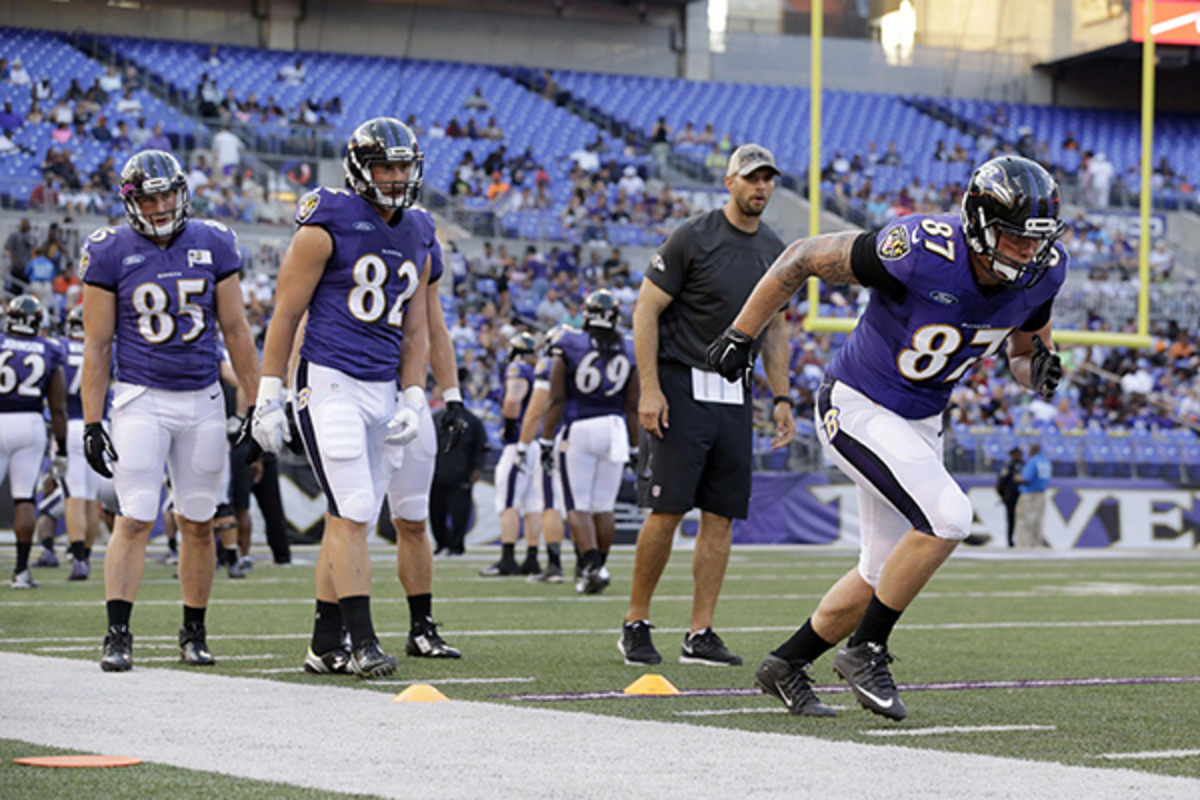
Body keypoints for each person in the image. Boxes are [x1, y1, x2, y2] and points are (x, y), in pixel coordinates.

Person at [707, 154, 1068, 719]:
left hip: (922, 420)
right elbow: (801, 257)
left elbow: (1024, 352)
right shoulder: (921, 248)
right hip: (858, 403)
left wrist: (1037, 371)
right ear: (978, 222)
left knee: (879, 574)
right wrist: (740, 333)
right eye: (1015, 236)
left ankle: (784, 664)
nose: (1027, 251)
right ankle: (866, 651)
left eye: (1035, 239)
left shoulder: (1044, 270)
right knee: (949, 515)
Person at [250, 117, 433, 680]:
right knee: (353, 508)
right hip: (329, 381)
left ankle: (324, 642)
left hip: (382, 388)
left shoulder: (420, 229)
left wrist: (413, 395)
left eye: (404, 166)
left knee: (348, 513)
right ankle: (362, 641)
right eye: (386, 166)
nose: (397, 176)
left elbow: (417, 328)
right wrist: (268, 391)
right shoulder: (326, 218)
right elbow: (285, 313)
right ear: (359, 169)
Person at [81, 149, 262, 671]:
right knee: (135, 515)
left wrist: (255, 404)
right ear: (131, 201)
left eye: (167, 195)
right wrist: (93, 421)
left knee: (200, 521)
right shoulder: (109, 250)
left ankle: (194, 630)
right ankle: (118, 632)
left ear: (181, 193)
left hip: (203, 397)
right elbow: (97, 346)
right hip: (141, 397)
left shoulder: (213, 240)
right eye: (149, 197)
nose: (160, 206)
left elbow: (236, 330)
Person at [620, 144, 793, 667]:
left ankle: (701, 632)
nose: (760, 187)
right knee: (666, 508)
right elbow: (645, 311)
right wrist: (649, 388)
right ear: (729, 182)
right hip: (681, 383)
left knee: (721, 515)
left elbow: (775, 329)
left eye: (767, 179)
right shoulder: (692, 237)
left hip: (734, 391)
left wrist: (782, 396)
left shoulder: (775, 249)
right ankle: (636, 621)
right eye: (751, 178)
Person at [386, 229, 469, 661]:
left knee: (414, 519)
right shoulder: (339, 232)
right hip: (349, 389)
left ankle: (421, 627)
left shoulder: (418, 242)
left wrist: (452, 395)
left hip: (410, 395)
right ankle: (335, 629)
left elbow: (435, 328)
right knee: (348, 519)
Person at [541, 289, 638, 595]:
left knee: (577, 505)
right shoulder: (629, 347)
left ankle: (592, 566)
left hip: (579, 426)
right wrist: (636, 447)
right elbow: (632, 406)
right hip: (616, 428)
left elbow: (556, 398)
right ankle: (600, 566)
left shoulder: (568, 341)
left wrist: (545, 439)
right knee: (603, 506)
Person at [2, 296, 68, 589]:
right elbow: (58, 407)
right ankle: (21, 571)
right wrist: (62, 449)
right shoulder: (49, 348)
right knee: (24, 498)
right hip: (30, 424)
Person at [480, 332, 545, 577]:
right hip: (536, 442)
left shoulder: (518, 368)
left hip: (518, 443)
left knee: (508, 502)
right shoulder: (540, 370)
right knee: (531, 504)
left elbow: (512, 400)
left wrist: (509, 425)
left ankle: (508, 558)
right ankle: (532, 557)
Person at [60, 305, 108, 579]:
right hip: (102, 424)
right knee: (91, 498)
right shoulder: (104, 348)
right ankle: (87, 556)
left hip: (74, 422)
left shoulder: (60, 348)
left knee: (75, 496)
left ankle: (78, 556)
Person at [429, 368, 487, 557]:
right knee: (435, 513)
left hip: (460, 475)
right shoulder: (435, 419)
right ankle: (441, 543)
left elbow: (481, 447)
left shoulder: (473, 421)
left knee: (459, 514)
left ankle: (456, 545)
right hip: (436, 475)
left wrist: (477, 469)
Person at [1014, 442, 1052, 549]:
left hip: (1029, 493)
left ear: (1032, 450)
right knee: (1037, 521)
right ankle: (1035, 543)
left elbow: (1026, 478)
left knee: (1025, 520)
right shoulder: (1045, 462)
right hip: (1041, 493)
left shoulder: (1033, 461)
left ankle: (1025, 545)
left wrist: (1016, 478)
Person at [996, 446, 1024, 548]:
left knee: (1023, 519)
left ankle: (1022, 539)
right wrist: (1004, 496)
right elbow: (1000, 483)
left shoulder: (1024, 466)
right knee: (1011, 519)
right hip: (1011, 496)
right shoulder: (1008, 467)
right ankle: (1010, 540)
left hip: (1022, 496)